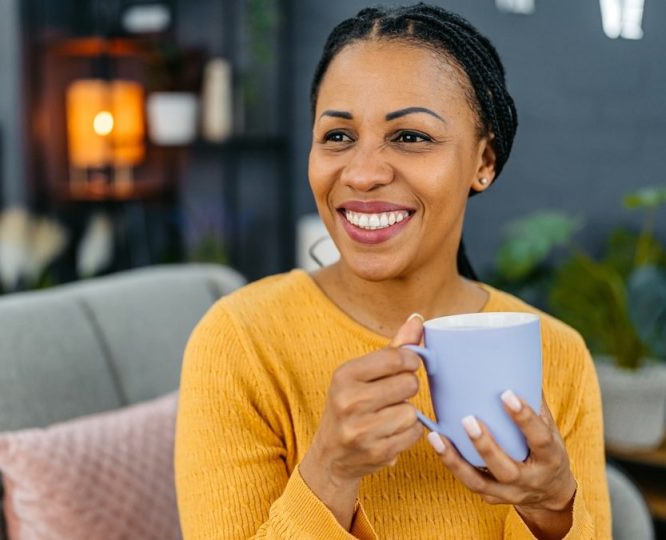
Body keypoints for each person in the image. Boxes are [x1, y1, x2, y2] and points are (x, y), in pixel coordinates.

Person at [175, 4, 611, 539]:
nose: (362, 173)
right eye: (338, 137)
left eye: (410, 137)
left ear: (484, 161)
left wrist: (552, 508)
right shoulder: (240, 344)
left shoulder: (558, 356)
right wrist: (329, 472)